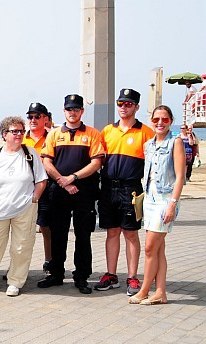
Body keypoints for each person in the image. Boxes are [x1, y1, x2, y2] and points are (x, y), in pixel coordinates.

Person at [0, 116, 48, 297]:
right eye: (14, 131)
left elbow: (41, 179)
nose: (19, 135)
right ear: (5, 134)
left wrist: (34, 198)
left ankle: (15, 281)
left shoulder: (30, 154)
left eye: (21, 131)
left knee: (21, 247)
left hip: (24, 209)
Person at [38, 94, 105, 294]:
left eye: (76, 109)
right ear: (64, 111)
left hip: (84, 192)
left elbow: (96, 162)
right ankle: (57, 274)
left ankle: (82, 276)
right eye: (69, 109)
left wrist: (73, 178)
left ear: (82, 111)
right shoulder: (54, 134)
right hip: (59, 192)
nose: (72, 112)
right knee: (58, 235)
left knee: (83, 235)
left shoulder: (93, 134)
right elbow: (46, 161)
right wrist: (62, 181)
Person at [94, 89, 155, 296]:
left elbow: (154, 164)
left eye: (128, 104)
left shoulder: (146, 132)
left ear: (136, 107)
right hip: (109, 187)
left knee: (130, 233)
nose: (123, 107)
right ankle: (111, 275)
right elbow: (97, 160)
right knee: (111, 232)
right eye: (120, 103)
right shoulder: (107, 131)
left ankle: (132, 277)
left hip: (131, 189)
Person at [130, 105, 185, 305]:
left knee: (149, 248)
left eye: (165, 119)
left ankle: (144, 290)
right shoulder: (149, 144)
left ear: (171, 121)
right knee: (158, 249)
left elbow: (180, 177)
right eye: (156, 120)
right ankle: (160, 292)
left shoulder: (175, 142)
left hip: (165, 200)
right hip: (150, 199)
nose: (160, 123)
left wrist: (172, 204)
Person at [24, 102, 53, 272]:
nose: (33, 120)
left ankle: (49, 260)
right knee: (22, 227)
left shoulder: (52, 137)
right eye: (30, 116)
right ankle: (19, 264)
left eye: (37, 116)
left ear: (46, 119)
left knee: (46, 226)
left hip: (47, 187)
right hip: (24, 188)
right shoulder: (21, 137)